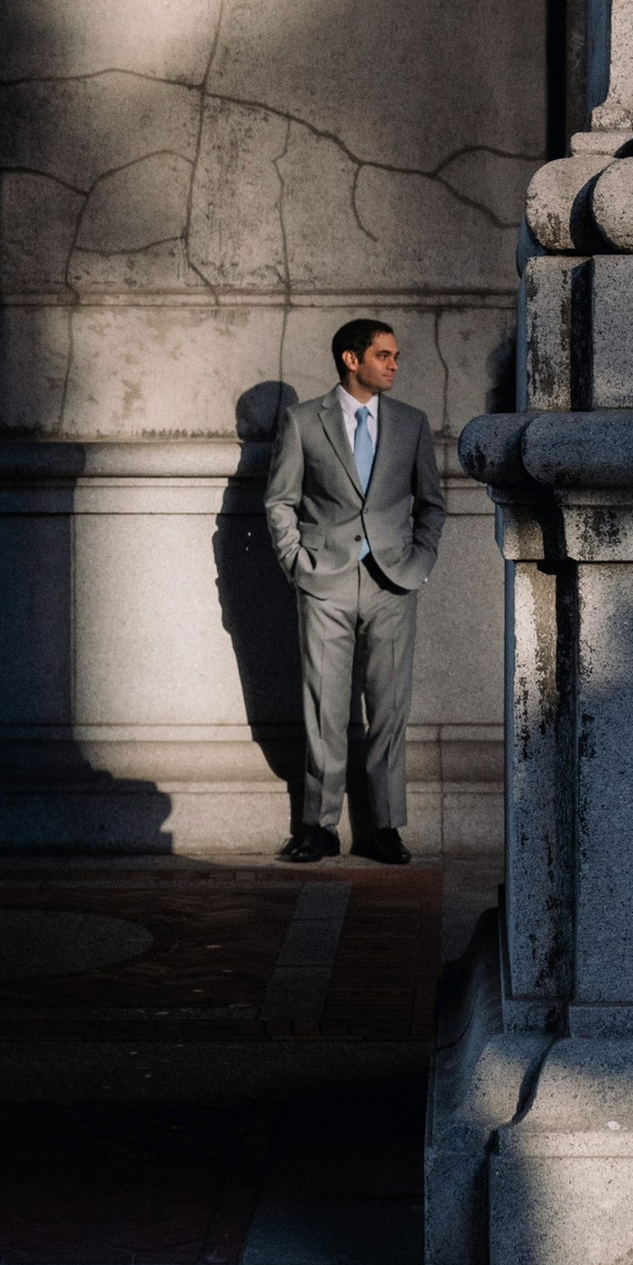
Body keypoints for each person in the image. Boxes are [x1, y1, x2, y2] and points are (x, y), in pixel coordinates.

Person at [264, 317, 446, 867]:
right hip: (325, 582)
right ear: (351, 359)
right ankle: (318, 827)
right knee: (324, 707)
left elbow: (431, 504)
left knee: (389, 710)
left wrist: (419, 564)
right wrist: (297, 564)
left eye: (395, 356)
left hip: (393, 583)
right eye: (384, 355)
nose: (394, 364)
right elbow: (280, 502)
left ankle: (384, 827)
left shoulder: (411, 424)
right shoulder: (302, 422)